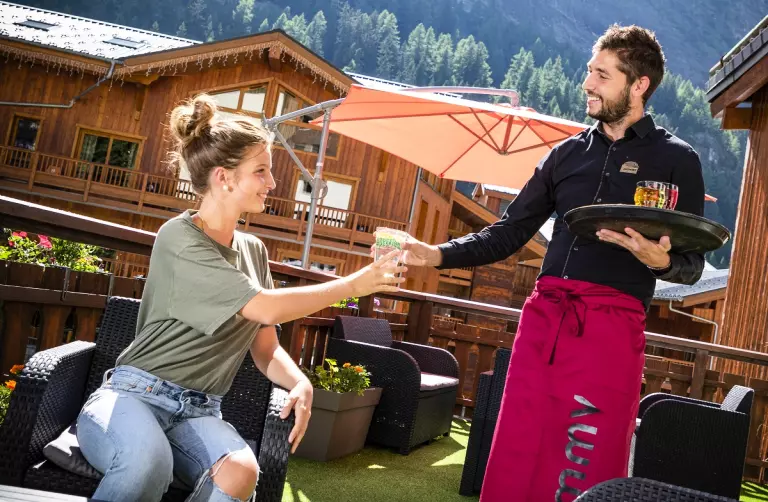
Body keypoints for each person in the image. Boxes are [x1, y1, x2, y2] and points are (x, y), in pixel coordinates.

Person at [397, 25, 705, 501]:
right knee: (519, 443)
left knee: (587, 454)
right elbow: (509, 232)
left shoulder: (677, 160)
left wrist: (661, 261)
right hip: (545, 321)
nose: (588, 83)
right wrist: (438, 254)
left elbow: (693, 265)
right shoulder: (565, 155)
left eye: (602, 75)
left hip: (611, 328)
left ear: (639, 84)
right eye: (589, 71)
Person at [75, 94, 406, 502]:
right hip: (134, 397)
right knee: (148, 461)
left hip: (201, 410)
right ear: (224, 178)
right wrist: (353, 285)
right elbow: (263, 305)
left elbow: (265, 347)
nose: (273, 183)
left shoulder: (254, 251)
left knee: (241, 472)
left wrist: (299, 380)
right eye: (261, 171)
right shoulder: (178, 238)